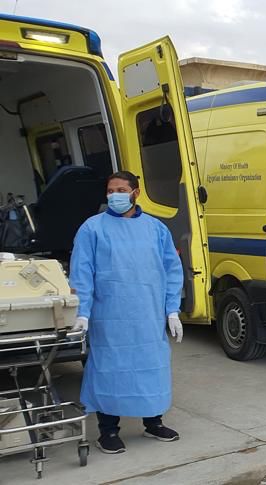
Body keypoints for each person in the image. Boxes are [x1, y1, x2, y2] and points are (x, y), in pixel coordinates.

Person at [69, 171, 183, 454]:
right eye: (110, 191)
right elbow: (82, 272)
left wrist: (172, 310)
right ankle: (108, 430)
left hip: (148, 315)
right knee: (110, 370)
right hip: (109, 316)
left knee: (151, 367)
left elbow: (171, 270)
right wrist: (82, 312)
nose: (114, 196)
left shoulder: (156, 229)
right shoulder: (92, 228)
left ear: (136, 192)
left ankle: (153, 422)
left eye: (121, 190)